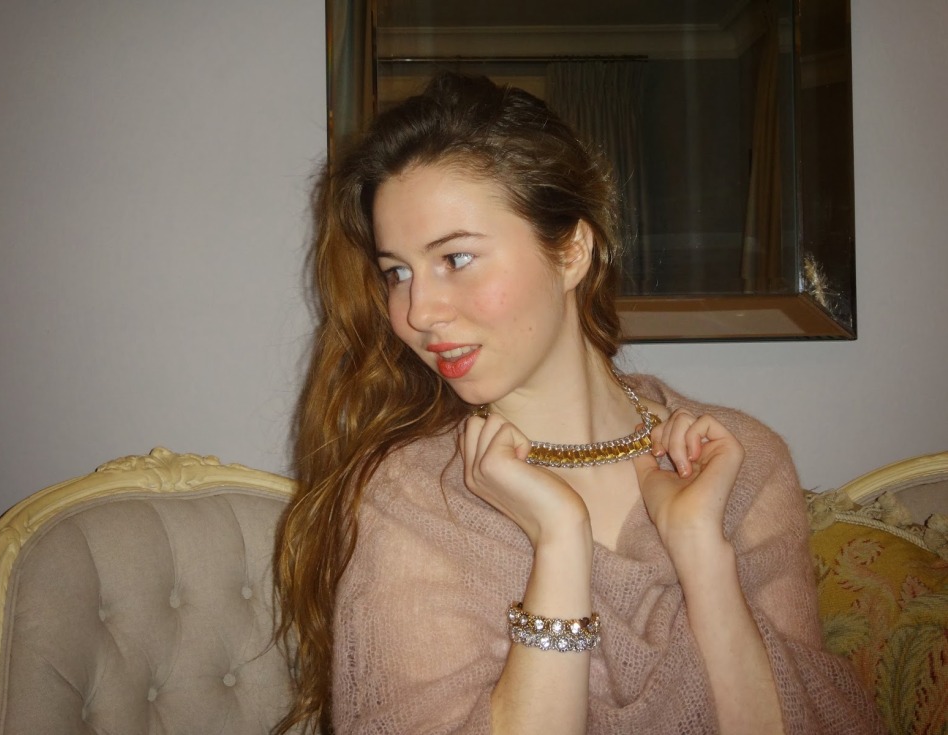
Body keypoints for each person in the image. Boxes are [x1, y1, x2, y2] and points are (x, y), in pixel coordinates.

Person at [274, 73, 882, 735]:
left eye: (455, 258)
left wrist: (702, 554)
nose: (418, 312)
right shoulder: (414, 499)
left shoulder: (740, 462)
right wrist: (559, 544)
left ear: (570, 251)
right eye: (398, 272)